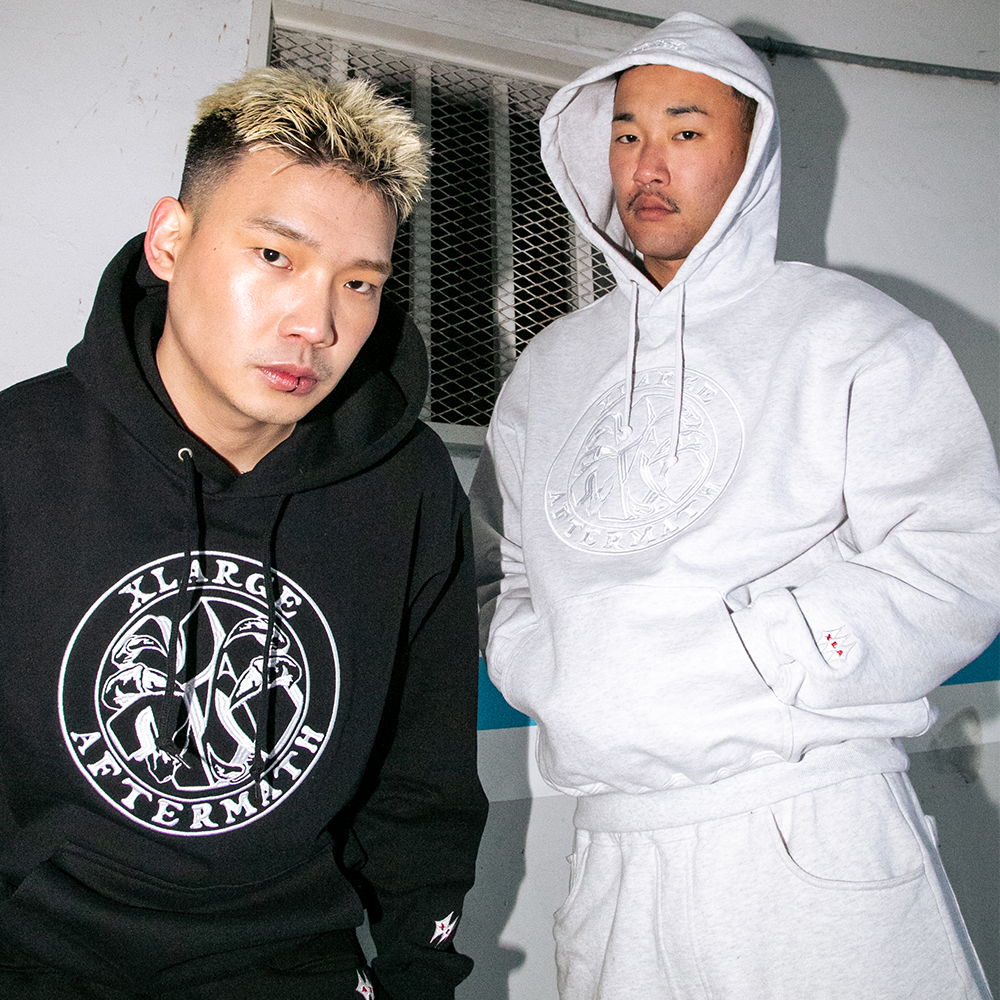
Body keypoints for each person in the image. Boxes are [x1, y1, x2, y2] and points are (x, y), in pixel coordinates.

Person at [471, 11, 1000, 1000]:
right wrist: (558, 670)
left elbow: (962, 557)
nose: (647, 164)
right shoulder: (550, 368)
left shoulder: (850, 333)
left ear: (751, 151)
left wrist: (775, 649)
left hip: (806, 827)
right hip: (615, 848)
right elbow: (497, 571)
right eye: (626, 133)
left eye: (685, 130)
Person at [0, 68, 487, 1000]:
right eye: (274, 256)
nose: (317, 323)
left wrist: (421, 973)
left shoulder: (406, 485)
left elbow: (421, 785)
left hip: (291, 965)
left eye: (359, 283)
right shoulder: (21, 454)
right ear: (170, 241)